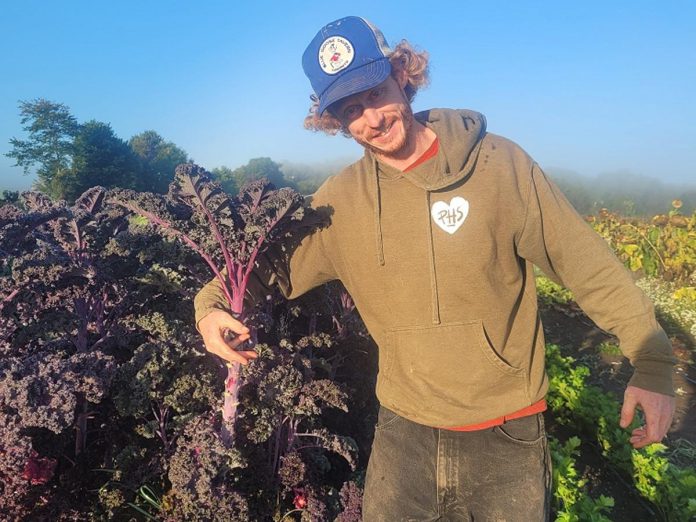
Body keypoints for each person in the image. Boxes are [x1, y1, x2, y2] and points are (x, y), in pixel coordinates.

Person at [195, 16, 676, 521]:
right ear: (335, 121)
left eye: (376, 93)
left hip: (506, 435)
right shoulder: (340, 201)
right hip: (404, 434)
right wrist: (209, 307)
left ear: (402, 73)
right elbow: (268, 267)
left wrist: (653, 364)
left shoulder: (499, 165)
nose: (372, 120)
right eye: (351, 110)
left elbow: (587, 265)